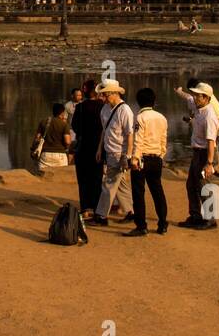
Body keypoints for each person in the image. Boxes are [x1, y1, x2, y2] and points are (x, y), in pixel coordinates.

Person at [91, 79, 135, 227]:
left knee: (109, 184)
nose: (102, 98)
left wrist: (127, 156)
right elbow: (104, 130)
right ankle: (130, 212)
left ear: (113, 93)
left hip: (119, 153)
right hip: (109, 151)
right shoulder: (105, 110)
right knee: (120, 184)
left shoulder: (125, 110)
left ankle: (101, 215)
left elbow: (130, 134)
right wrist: (99, 148)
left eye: (105, 95)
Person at [125, 87, 168, 236]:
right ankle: (162, 223)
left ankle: (141, 225)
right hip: (156, 158)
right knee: (158, 191)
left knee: (138, 193)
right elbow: (164, 139)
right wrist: (161, 155)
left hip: (142, 158)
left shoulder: (140, 118)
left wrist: (134, 159)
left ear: (138, 102)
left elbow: (138, 140)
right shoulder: (162, 117)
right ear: (154, 101)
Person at [180, 83, 219, 230]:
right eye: (195, 95)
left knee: (204, 186)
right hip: (198, 152)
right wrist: (179, 92)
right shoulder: (199, 108)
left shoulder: (209, 115)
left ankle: (210, 219)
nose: (195, 97)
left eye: (198, 95)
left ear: (206, 98)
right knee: (191, 185)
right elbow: (188, 98)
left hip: (206, 154)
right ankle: (195, 216)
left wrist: (209, 163)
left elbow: (211, 142)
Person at [71, 78, 105, 214]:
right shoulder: (103, 107)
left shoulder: (79, 108)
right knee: (97, 178)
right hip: (98, 146)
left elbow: (75, 127)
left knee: (83, 179)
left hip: (83, 146)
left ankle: (85, 207)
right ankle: (97, 207)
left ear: (84, 91)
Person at [33, 103, 73, 172]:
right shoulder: (64, 125)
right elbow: (67, 141)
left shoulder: (43, 122)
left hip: (45, 155)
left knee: (43, 178)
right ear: (62, 113)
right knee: (61, 177)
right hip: (60, 156)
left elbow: (37, 138)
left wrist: (33, 149)